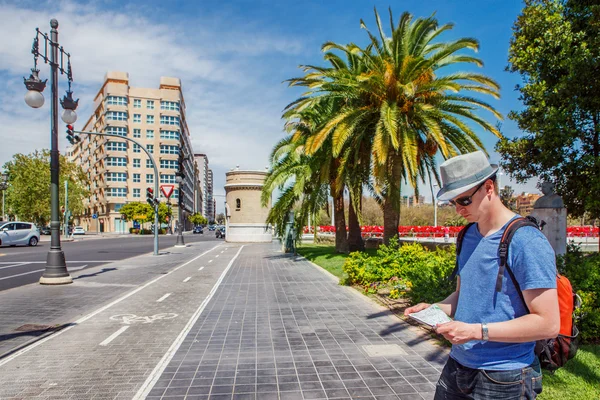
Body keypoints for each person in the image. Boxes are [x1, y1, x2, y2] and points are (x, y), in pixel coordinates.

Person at [405, 151, 559, 399]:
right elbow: (461, 294)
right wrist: (434, 308)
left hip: (505, 377)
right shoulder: (466, 237)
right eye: (452, 202)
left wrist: (477, 331)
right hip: (457, 366)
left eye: (463, 200)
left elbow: (548, 324)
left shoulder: (526, 241)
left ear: (488, 187)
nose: (458, 210)